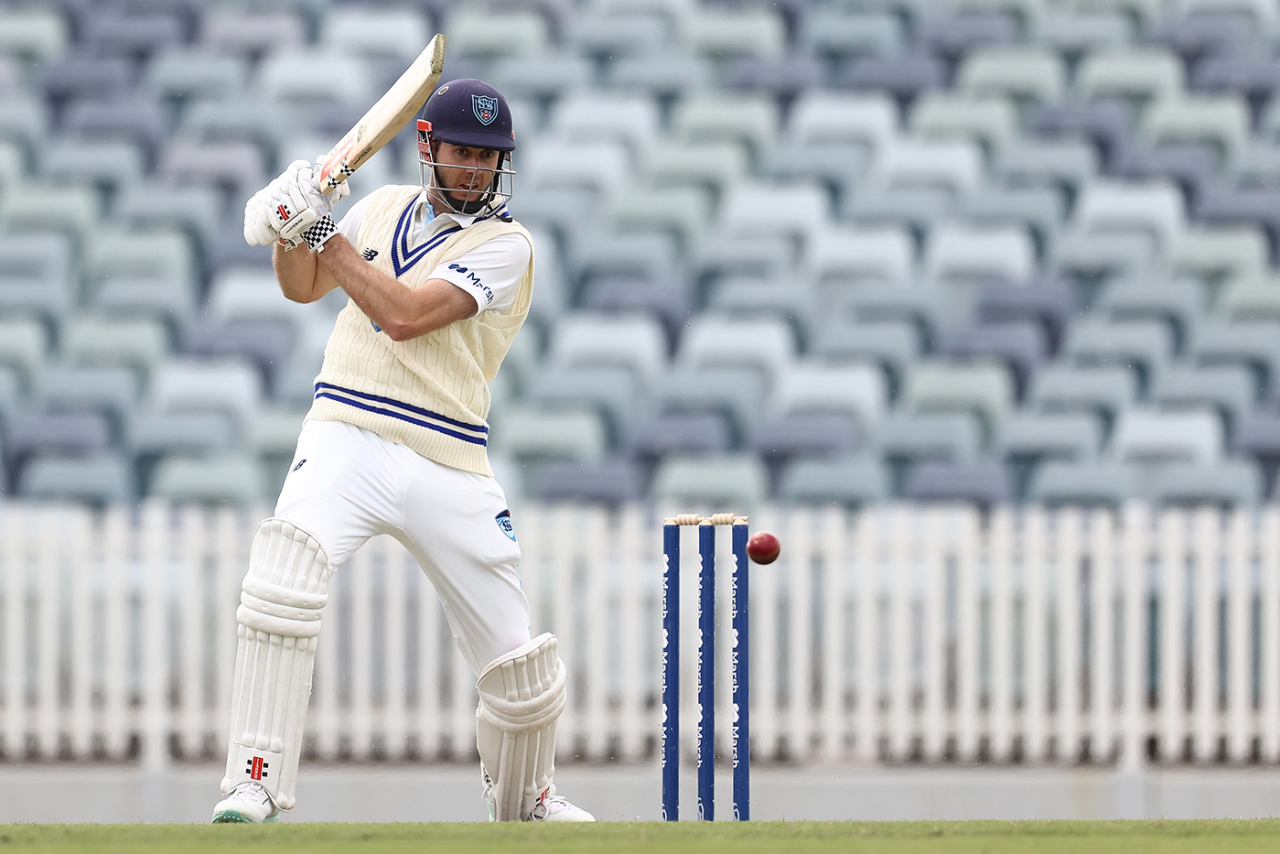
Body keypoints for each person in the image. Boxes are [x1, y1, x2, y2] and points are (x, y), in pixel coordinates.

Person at [213, 79, 593, 824]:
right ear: (428, 147)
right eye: (463, 152)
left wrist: (322, 232)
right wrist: (293, 229)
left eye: (490, 157)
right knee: (282, 577)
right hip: (345, 427)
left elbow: (406, 316)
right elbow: (302, 288)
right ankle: (253, 780)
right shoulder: (382, 205)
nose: (477, 169)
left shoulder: (507, 245)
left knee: (521, 669)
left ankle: (526, 803)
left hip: (448, 455)